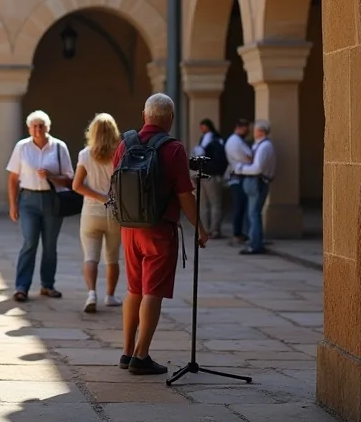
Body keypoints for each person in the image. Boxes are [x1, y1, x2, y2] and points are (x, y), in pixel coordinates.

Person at [114, 93, 207, 376]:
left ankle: (127, 351)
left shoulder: (125, 144)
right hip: (160, 229)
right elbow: (184, 196)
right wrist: (200, 229)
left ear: (145, 115)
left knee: (134, 290)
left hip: (129, 228)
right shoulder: (174, 149)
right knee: (152, 292)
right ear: (171, 119)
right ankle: (142, 357)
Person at [6, 111, 74, 302]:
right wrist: (13, 204)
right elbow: (12, 178)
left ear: (48, 127)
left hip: (52, 199)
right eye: (34, 126)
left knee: (50, 245)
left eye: (41, 125)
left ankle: (47, 285)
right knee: (29, 242)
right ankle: (22, 286)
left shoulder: (59, 147)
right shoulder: (22, 147)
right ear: (29, 128)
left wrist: (51, 176)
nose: (38, 129)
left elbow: (70, 179)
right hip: (28, 199)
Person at [72, 113, 123, 313]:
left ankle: (91, 293)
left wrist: (99, 197)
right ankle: (110, 295)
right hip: (115, 212)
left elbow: (77, 185)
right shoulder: (119, 153)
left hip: (91, 212)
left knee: (90, 256)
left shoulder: (85, 154)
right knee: (112, 258)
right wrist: (109, 198)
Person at [233, 119, 276, 255]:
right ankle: (255, 241)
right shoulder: (260, 145)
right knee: (253, 213)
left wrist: (240, 169)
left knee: (254, 214)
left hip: (257, 181)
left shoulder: (264, 146)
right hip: (254, 181)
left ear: (261, 131)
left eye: (256, 129)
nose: (253, 132)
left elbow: (257, 168)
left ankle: (255, 244)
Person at [223, 119, 253, 244]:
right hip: (237, 178)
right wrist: (251, 159)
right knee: (239, 206)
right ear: (239, 128)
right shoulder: (234, 141)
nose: (246, 132)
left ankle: (243, 232)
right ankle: (237, 233)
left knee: (243, 206)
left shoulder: (239, 140)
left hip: (242, 176)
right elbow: (248, 158)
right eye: (245, 129)